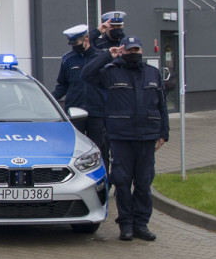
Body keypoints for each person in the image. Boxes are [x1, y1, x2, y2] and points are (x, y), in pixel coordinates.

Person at [82, 35, 169, 242]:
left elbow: (162, 105)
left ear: (141, 51)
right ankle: (126, 225)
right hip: (121, 137)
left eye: (136, 50)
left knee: (143, 182)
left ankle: (141, 224)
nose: (133, 54)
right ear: (123, 51)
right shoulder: (111, 72)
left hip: (147, 136)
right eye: (129, 50)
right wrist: (106, 55)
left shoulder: (153, 73)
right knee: (122, 181)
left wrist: (164, 133)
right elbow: (86, 74)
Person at [54, 24, 109, 167]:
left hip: (97, 111)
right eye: (71, 43)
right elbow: (62, 85)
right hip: (75, 111)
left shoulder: (101, 58)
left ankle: (103, 183)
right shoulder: (68, 59)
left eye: (76, 42)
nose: (73, 46)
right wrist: (50, 99)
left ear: (86, 39)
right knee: (75, 149)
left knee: (99, 149)